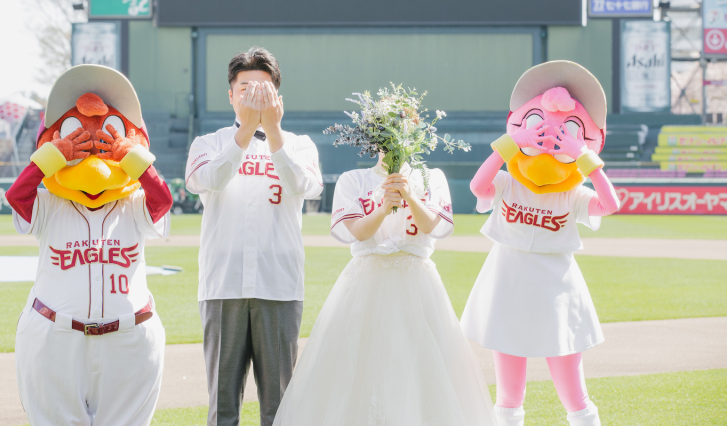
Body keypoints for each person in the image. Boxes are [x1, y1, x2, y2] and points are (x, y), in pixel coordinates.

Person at [272, 155, 496, 426]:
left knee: (420, 367)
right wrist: (383, 208)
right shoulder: (353, 180)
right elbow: (358, 232)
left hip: (418, 282)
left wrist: (410, 197)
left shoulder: (431, 177)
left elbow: (429, 226)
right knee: (360, 367)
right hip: (366, 280)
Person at [5, 64, 172, 426]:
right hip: (56, 338)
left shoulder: (133, 205)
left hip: (128, 338)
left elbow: (162, 200)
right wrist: (55, 155)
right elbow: (18, 196)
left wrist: (135, 159)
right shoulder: (51, 205)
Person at [462, 61, 620, 426]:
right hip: (508, 283)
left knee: (573, 388)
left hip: (557, 290)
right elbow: (477, 187)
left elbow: (610, 205)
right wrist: (511, 144)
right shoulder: (509, 183)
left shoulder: (573, 194)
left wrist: (585, 158)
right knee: (508, 392)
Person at [185, 47, 323, 426]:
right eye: (245, 87)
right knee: (223, 405)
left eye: (263, 87)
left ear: (278, 97)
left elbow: (306, 186)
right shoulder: (207, 143)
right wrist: (245, 130)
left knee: (279, 406)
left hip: (278, 284)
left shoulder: (299, 144)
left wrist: (272, 130)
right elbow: (206, 180)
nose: (253, 94)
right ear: (230, 94)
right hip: (222, 284)